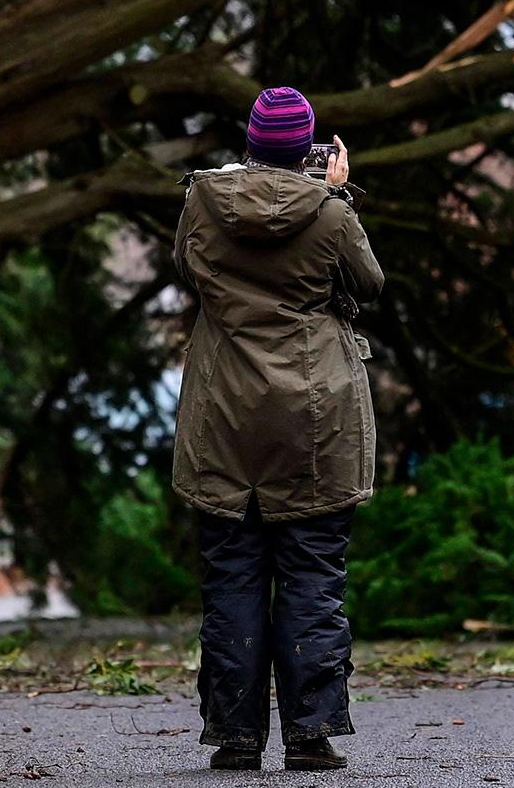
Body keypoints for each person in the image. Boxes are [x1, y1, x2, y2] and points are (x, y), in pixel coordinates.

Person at [170, 85, 384, 772]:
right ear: (310, 151)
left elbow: (187, 270)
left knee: (231, 574)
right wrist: (338, 197)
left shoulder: (201, 201)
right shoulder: (329, 214)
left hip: (223, 413)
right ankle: (310, 735)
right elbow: (369, 283)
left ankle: (234, 737)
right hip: (317, 419)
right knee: (312, 573)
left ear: (251, 145)